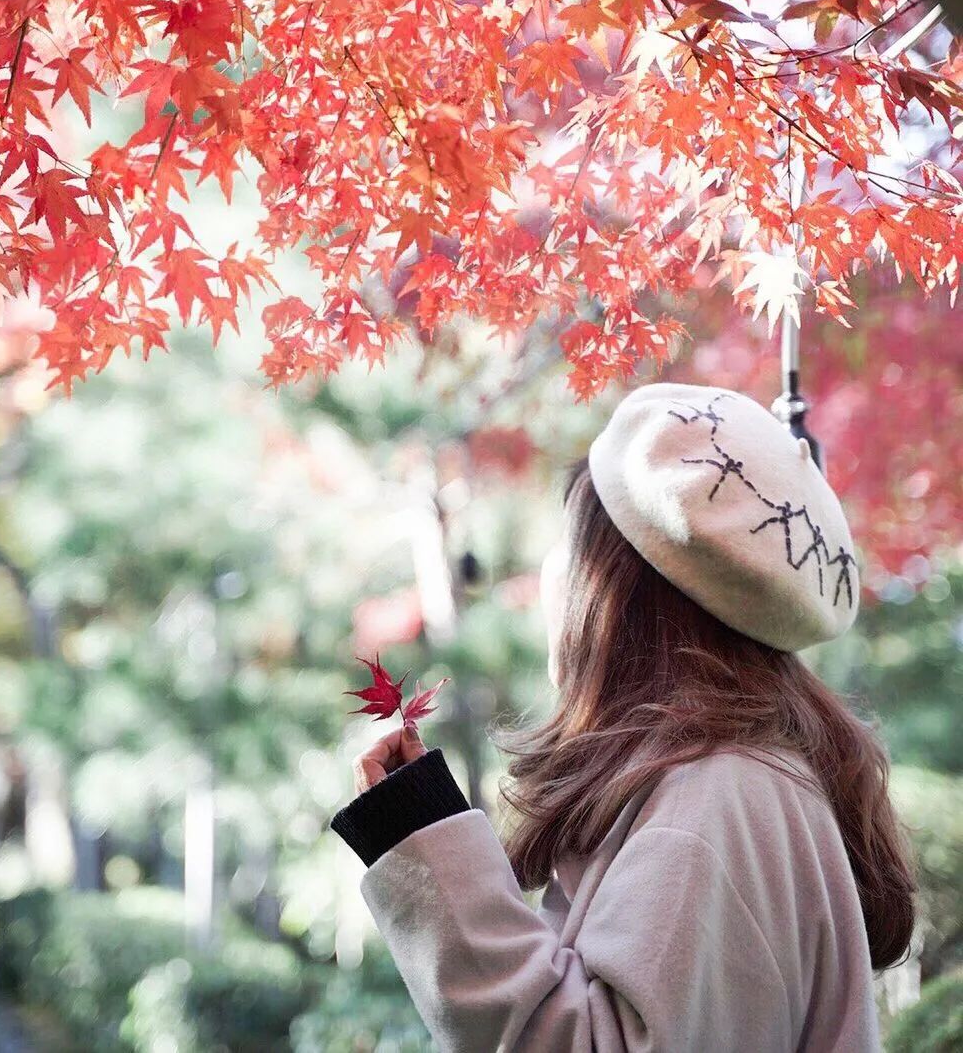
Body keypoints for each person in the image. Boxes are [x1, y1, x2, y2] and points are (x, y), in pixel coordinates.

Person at [330, 382, 916, 1052]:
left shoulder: (714, 798)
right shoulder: (734, 782)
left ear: (615, 590)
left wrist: (420, 833)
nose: (553, 572)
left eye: (570, 545)